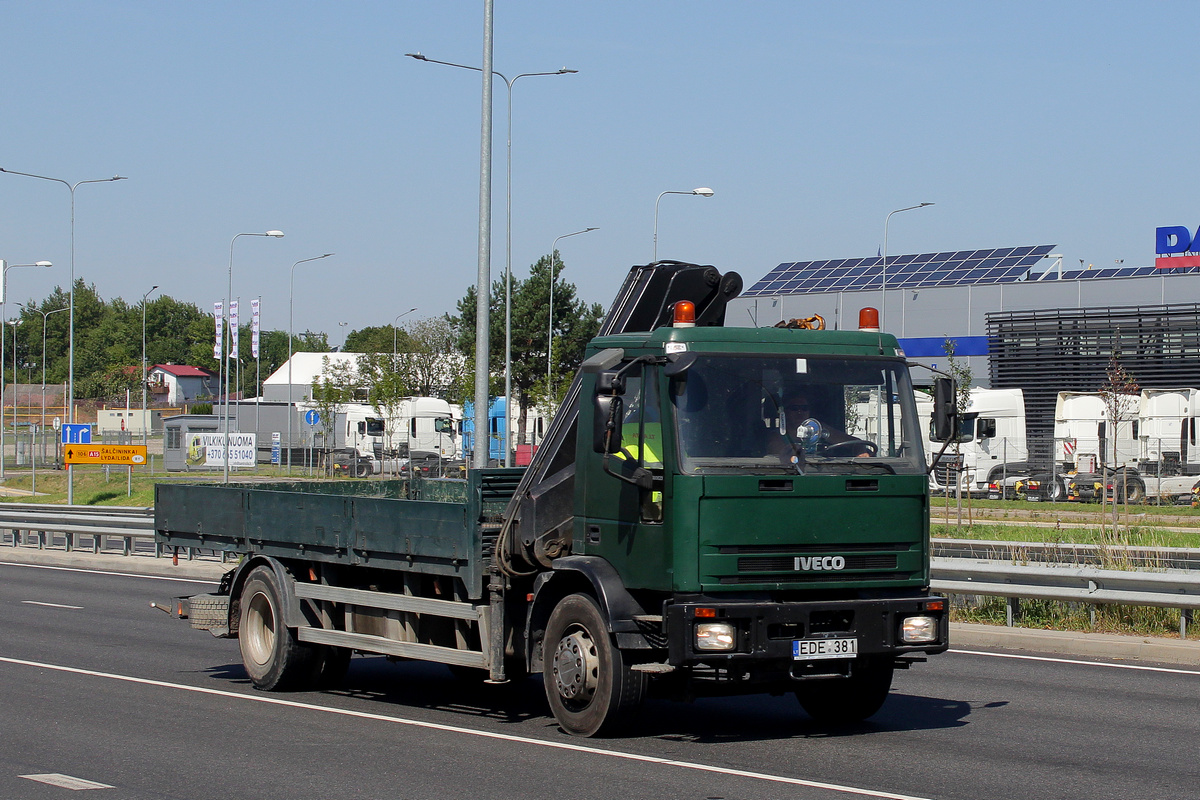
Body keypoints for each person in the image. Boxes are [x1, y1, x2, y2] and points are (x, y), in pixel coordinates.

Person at [771, 388, 873, 459]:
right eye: (794, 408)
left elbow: (855, 443)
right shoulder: (778, 437)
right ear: (785, 412)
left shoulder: (818, 429)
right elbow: (784, 463)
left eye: (804, 408)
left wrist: (861, 453)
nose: (800, 412)